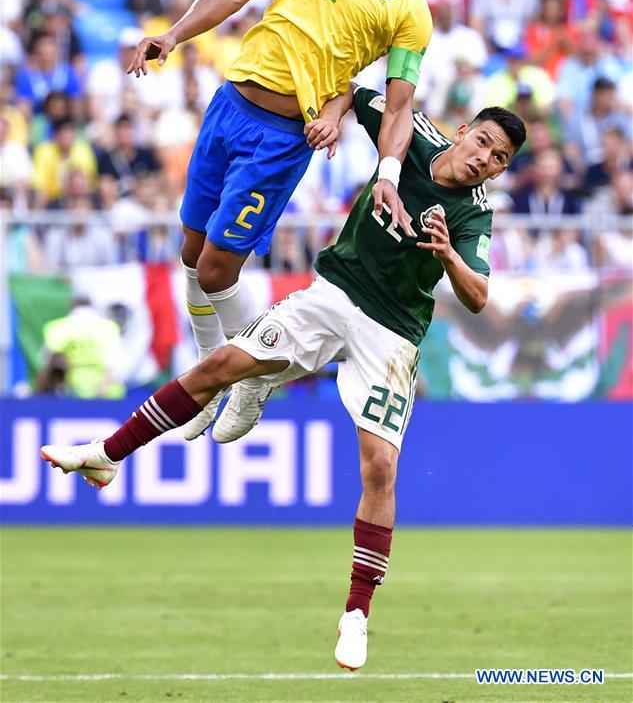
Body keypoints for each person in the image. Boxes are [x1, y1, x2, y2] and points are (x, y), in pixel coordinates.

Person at [40, 87, 527, 672]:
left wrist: (448, 254)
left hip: (392, 332)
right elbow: (353, 94)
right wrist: (329, 115)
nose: (485, 159)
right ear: (462, 132)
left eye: (499, 159)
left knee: (381, 466)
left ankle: (357, 614)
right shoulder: (412, 135)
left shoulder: (474, 213)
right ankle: (106, 454)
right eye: (483, 142)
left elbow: (477, 296)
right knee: (221, 366)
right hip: (333, 295)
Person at [126, 0, 449, 425]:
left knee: (214, 272)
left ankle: (254, 377)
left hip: (280, 137)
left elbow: (398, 108)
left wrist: (387, 171)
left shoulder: (410, 7)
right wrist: (175, 35)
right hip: (228, 104)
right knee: (189, 250)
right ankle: (210, 368)